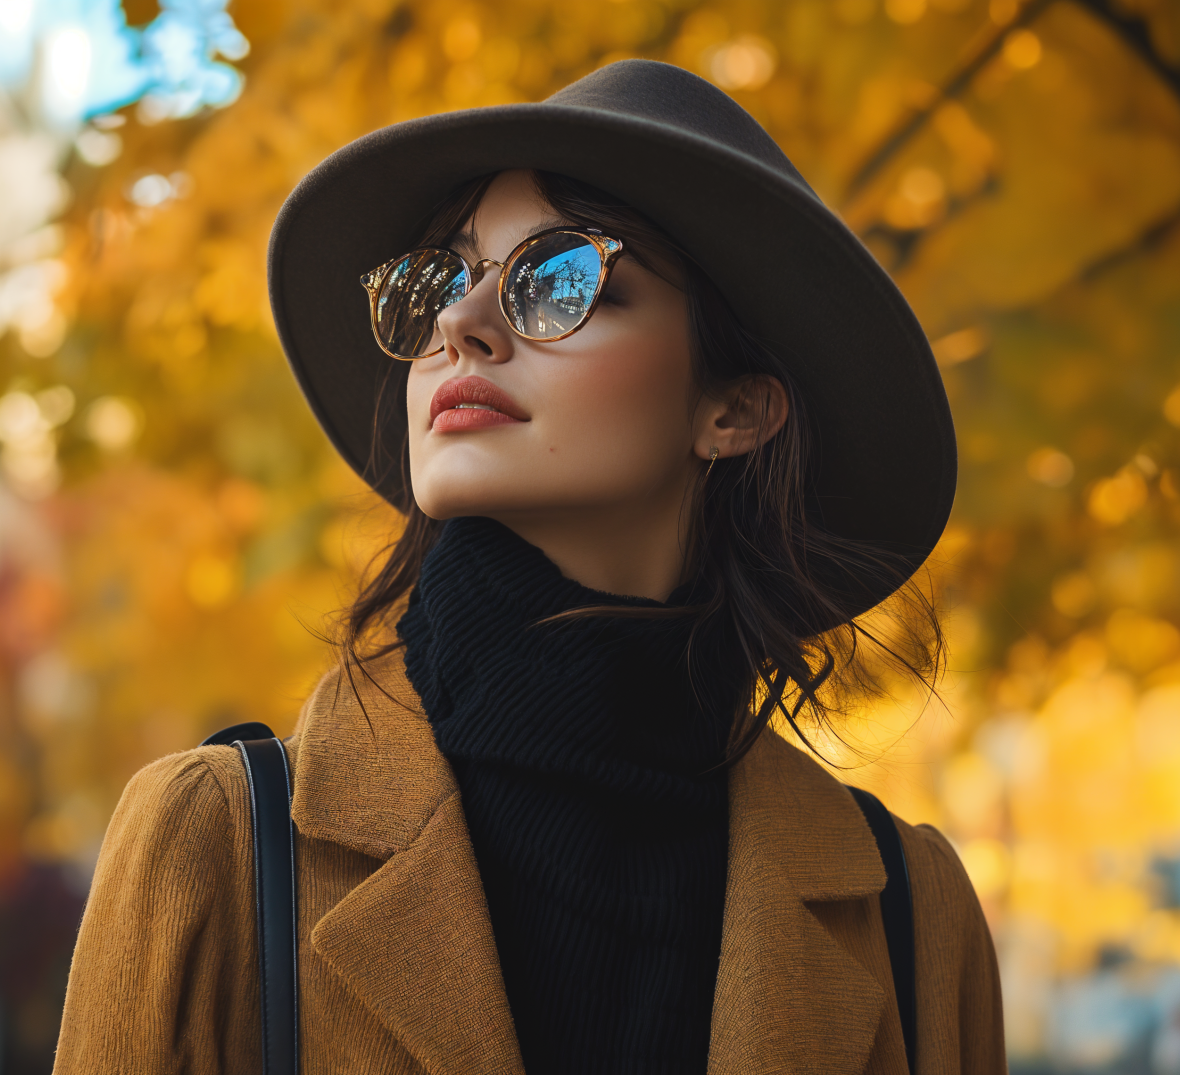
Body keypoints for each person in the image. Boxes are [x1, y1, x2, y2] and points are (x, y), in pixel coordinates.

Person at [54, 59, 1002, 1075]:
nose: (461, 325)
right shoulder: (215, 848)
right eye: (441, 280)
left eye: (562, 279)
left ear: (733, 409)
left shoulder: (912, 916)